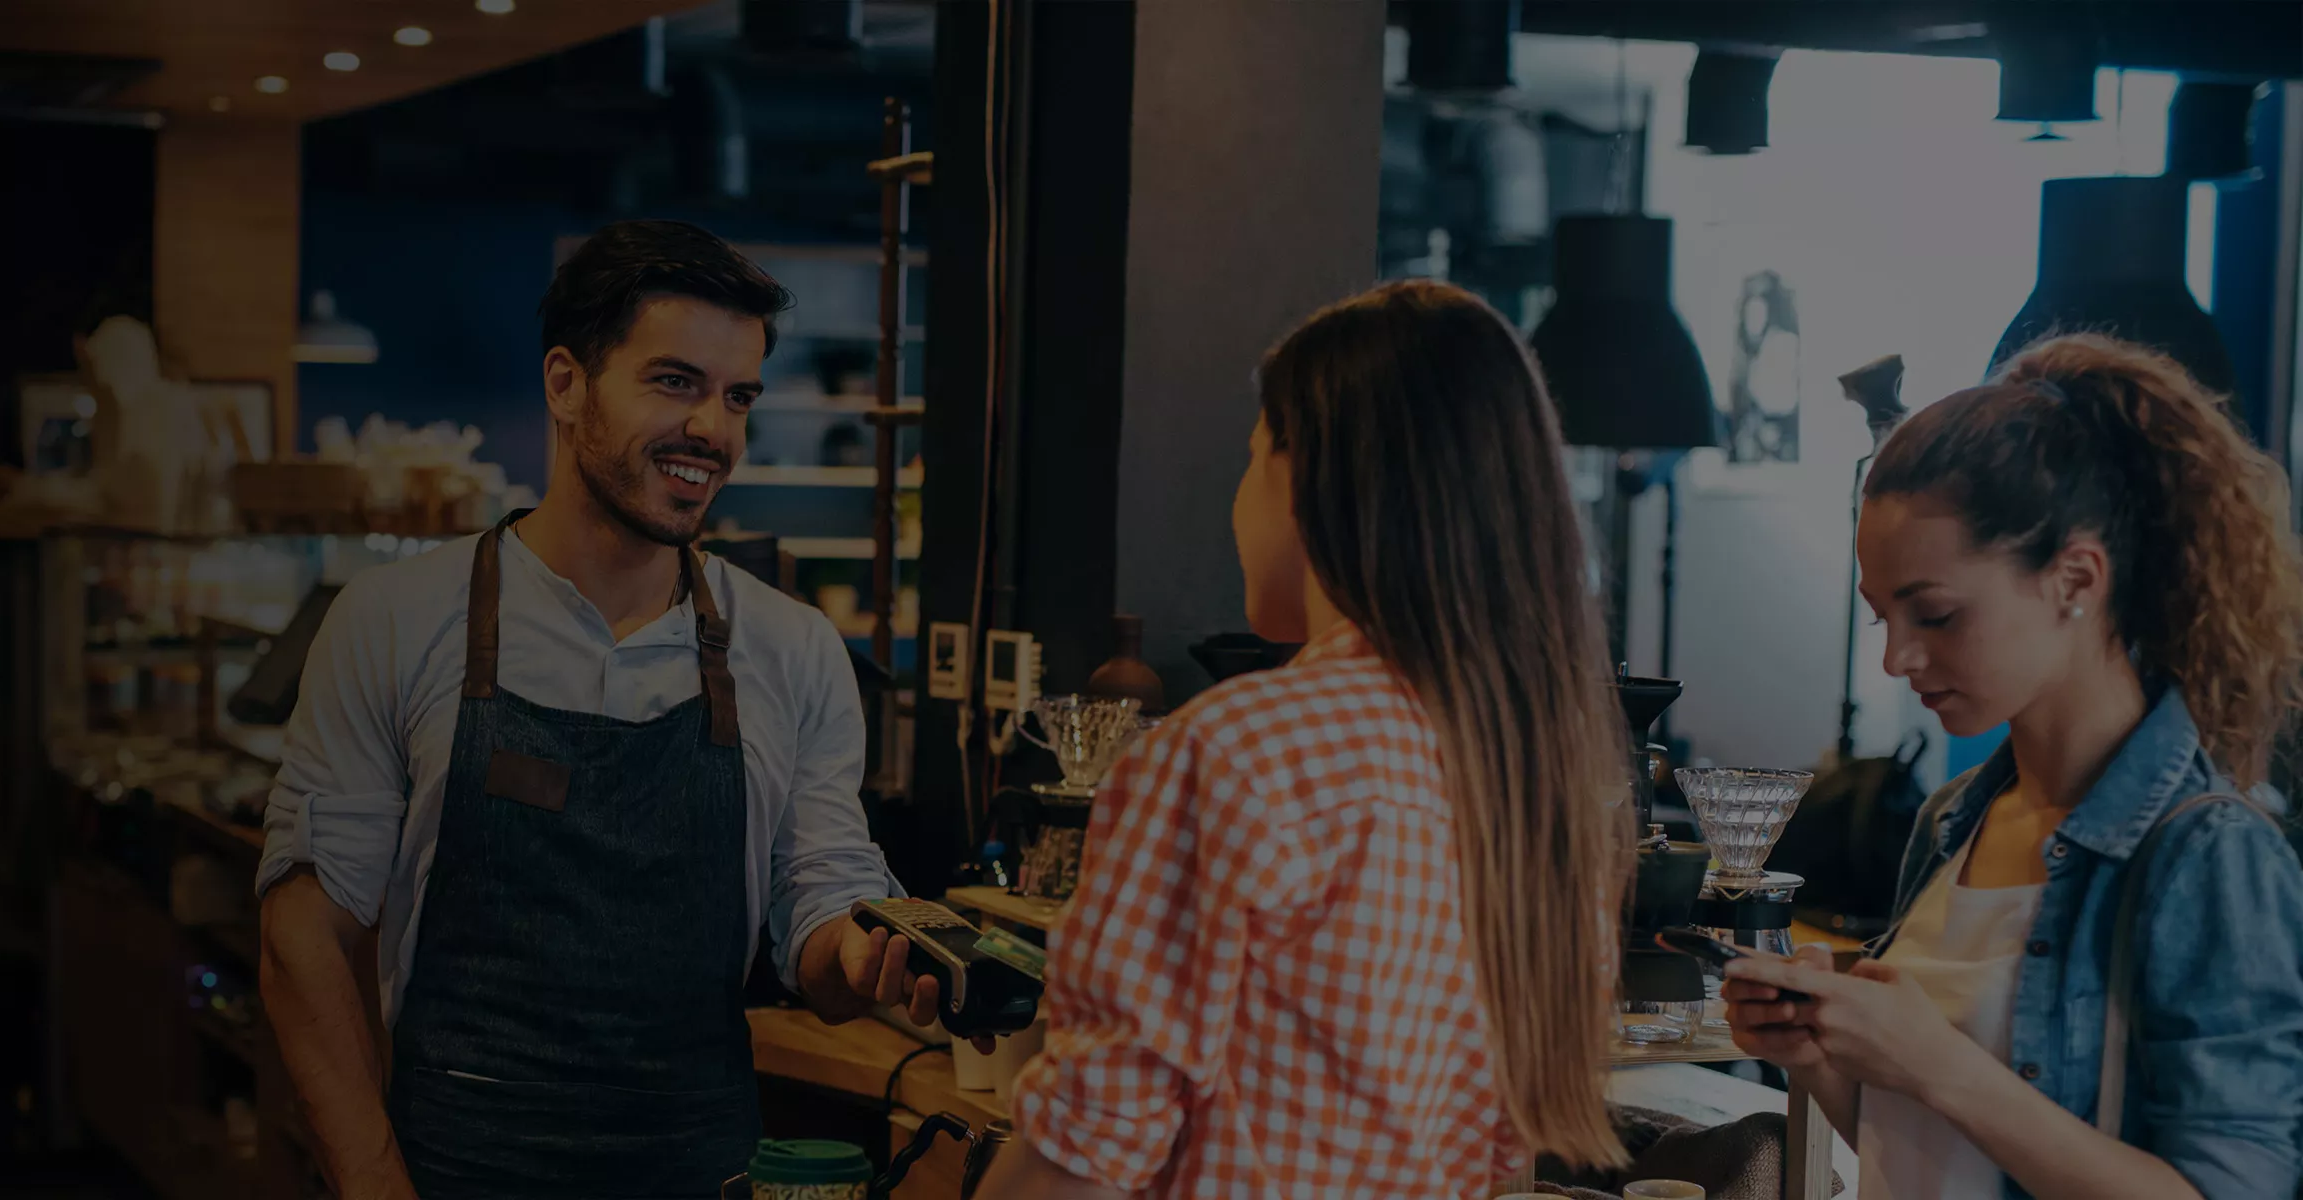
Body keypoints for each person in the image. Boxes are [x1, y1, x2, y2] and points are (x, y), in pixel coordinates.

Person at [256, 219, 987, 1200]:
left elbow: (817, 896)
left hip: (703, 1168)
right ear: (566, 384)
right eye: (674, 382)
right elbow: (303, 939)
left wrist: (864, 954)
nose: (713, 432)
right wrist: (376, 1185)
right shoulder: (395, 621)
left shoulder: (793, 647)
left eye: (737, 398)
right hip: (454, 1169)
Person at [976, 280, 1633, 1198]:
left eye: (1252, 457)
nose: (1238, 499)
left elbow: (1081, 1156)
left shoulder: (1239, 753)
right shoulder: (1536, 785)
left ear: (1308, 472)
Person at [1725, 333, 2303, 1200]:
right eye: (1884, 619)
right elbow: (1927, 1152)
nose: (1898, 661)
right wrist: (1817, 1058)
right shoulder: (1953, 819)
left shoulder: (2207, 853)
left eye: (1938, 616)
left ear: (2075, 578)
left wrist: (1935, 1064)